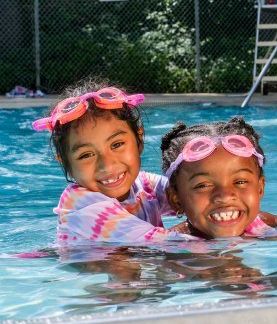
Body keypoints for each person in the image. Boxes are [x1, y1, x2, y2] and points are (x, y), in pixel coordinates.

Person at [33, 77, 188, 242]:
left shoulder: (143, 184)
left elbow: (192, 196)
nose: (107, 165)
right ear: (66, 164)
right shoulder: (81, 205)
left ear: (139, 140)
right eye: (86, 155)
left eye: (117, 144)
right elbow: (160, 243)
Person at [161, 116, 277, 239]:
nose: (225, 197)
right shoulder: (170, 244)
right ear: (176, 200)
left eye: (240, 182)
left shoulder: (265, 222)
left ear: (260, 189)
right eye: (203, 185)